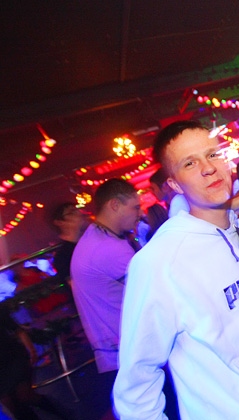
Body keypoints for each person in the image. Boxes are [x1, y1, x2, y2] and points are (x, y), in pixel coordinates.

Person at [113, 120, 239, 420]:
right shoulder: (160, 261)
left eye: (213, 155)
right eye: (190, 163)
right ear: (175, 184)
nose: (208, 168)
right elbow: (137, 379)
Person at [70, 178, 142, 407]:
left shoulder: (97, 237)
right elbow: (154, 290)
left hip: (116, 349)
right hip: (127, 352)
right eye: (135, 207)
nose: (139, 214)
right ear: (115, 205)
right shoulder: (106, 248)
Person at [0, 303, 70, 420]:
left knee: (25, 395)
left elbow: (18, 331)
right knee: (11, 405)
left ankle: (62, 414)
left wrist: (32, 350)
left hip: (13, 358)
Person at [50, 202, 87, 284]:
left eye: (78, 210)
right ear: (59, 222)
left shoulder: (88, 242)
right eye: (72, 212)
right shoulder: (63, 256)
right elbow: (77, 286)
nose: (79, 213)